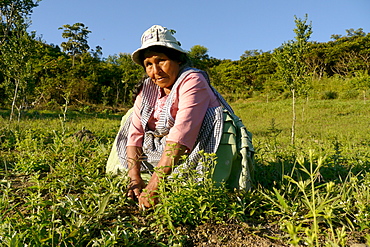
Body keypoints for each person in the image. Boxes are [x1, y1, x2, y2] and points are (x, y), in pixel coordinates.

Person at [106, 25, 254, 209]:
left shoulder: (192, 80)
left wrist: (155, 184)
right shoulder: (147, 88)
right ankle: (143, 178)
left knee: (196, 193)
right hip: (166, 149)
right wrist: (134, 178)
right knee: (130, 116)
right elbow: (135, 133)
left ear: (177, 60)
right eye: (149, 65)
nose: (155, 71)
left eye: (161, 61)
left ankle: (169, 180)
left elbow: (182, 132)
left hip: (199, 144)